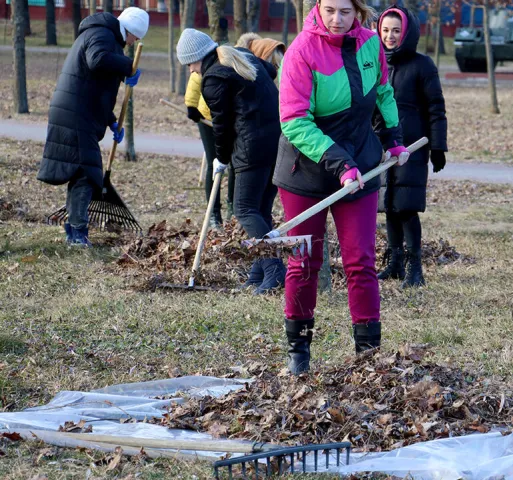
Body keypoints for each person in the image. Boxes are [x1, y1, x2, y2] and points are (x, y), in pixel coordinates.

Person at [274, 0, 409, 373]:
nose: (337, 19)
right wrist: (340, 164)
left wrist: (393, 138)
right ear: (318, 7)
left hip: (361, 168)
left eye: (345, 11)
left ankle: (368, 357)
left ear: (358, 11)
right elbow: (294, 121)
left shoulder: (370, 44)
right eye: (330, 9)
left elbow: (382, 94)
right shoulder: (301, 51)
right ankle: (298, 353)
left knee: (360, 262)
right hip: (306, 172)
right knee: (304, 262)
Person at [176, 28, 285, 295]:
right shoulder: (242, 56)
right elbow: (271, 73)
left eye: (190, 64)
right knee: (260, 210)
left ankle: (274, 269)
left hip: (252, 148)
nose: (191, 71)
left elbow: (221, 128)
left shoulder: (213, 79)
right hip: (278, 141)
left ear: (198, 58)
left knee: (244, 209)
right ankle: (259, 271)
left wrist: (220, 159)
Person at [37, 7, 149, 247]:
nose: (135, 42)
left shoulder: (107, 37)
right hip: (75, 114)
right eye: (136, 37)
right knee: (88, 173)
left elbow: (94, 88)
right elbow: (96, 60)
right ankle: (77, 232)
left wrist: (111, 122)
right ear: (130, 30)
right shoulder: (102, 33)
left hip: (78, 111)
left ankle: (74, 228)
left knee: (81, 171)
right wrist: (128, 66)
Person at [374, 5, 447, 288]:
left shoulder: (422, 65)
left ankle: (415, 267)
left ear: (406, 33)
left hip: (412, 146)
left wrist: (438, 147)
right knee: (389, 205)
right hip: (381, 144)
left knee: (406, 207)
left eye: (396, 31)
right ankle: (394, 263)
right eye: (386, 30)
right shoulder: (375, 62)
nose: (390, 36)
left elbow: (436, 108)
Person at [184, 72, 235, 230]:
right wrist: (191, 105)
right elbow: (196, 76)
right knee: (214, 163)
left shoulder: (234, 57)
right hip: (206, 117)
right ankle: (214, 215)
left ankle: (233, 212)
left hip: (231, 118)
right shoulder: (209, 57)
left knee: (236, 164)